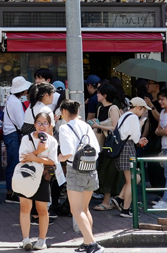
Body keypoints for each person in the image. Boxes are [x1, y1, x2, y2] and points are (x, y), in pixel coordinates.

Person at [58, 99, 103, 253]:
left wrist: (59, 158)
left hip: (75, 170)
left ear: (64, 112)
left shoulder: (64, 128)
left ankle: (92, 244)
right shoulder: (86, 126)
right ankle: (87, 242)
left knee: (76, 210)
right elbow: (97, 149)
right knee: (85, 209)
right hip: (91, 169)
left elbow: (68, 152)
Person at [17, 112, 61, 251]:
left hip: (43, 177)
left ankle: (42, 240)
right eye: (39, 123)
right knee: (25, 208)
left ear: (49, 125)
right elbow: (22, 159)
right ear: (34, 124)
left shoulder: (52, 141)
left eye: (45, 123)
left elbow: (52, 161)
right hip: (26, 176)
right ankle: (25, 239)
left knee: (42, 209)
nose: (42, 126)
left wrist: (34, 156)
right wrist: (38, 152)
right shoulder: (26, 138)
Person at [112, 97, 149, 218]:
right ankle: (125, 209)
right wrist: (141, 124)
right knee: (132, 180)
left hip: (122, 149)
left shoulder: (125, 115)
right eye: (143, 109)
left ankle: (119, 199)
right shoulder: (133, 117)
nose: (143, 112)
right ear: (139, 107)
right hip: (127, 149)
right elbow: (136, 138)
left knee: (134, 178)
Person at [89, 83, 122, 211]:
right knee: (103, 171)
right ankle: (114, 200)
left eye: (99, 93)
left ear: (105, 95)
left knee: (108, 172)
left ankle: (107, 201)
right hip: (102, 145)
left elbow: (115, 127)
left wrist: (98, 126)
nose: (96, 95)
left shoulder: (113, 108)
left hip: (111, 146)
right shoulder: (100, 108)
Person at [4, 76, 31, 204]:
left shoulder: (11, 99)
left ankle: (11, 191)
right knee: (14, 164)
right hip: (13, 135)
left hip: (9, 134)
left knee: (12, 163)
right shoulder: (16, 102)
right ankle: (11, 193)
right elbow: (21, 124)